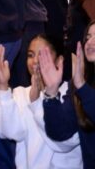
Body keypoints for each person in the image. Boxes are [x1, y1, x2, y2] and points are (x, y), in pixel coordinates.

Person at [0, 36, 82, 168]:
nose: (35, 61)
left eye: (42, 55)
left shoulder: (70, 94)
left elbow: (65, 143)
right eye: (30, 55)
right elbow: (10, 132)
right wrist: (3, 85)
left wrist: (37, 102)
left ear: (59, 60)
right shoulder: (20, 93)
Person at [41, 20, 95, 167]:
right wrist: (51, 93)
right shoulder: (80, 82)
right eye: (88, 37)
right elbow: (59, 132)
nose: (90, 42)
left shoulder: (81, 85)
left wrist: (82, 87)